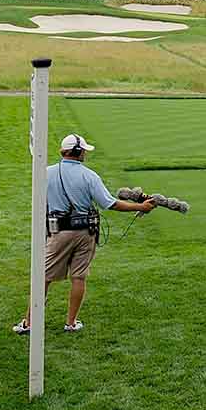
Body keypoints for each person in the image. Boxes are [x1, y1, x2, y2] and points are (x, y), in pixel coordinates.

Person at [12, 134, 154, 335]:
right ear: (79, 152)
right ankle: (71, 323)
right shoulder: (90, 176)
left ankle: (28, 323)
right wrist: (140, 206)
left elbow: (41, 203)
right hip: (86, 232)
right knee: (79, 277)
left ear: (63, 152)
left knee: (43, 277)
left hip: (58, 231)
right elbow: (110, 203)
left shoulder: (45, 173)